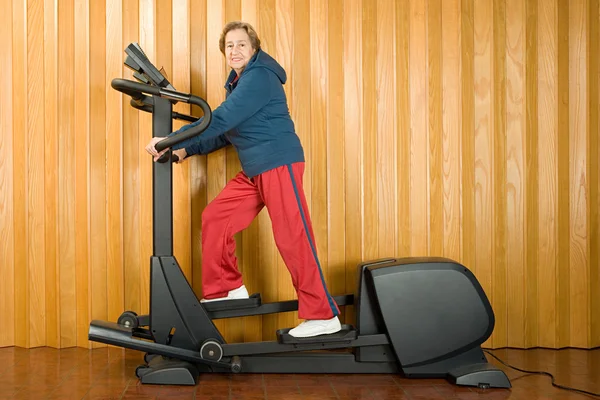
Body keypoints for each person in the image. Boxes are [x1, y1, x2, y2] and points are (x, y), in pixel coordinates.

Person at [145, 21, 341, 338]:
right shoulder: (237, 83)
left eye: (241, 45)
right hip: (254, 169)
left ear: (254, 49)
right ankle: (226, 288)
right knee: (215, 218)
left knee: (293, 237)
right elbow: (224, 132)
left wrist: (171, 139)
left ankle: (323, 314)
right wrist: (183, 150)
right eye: (230, 46)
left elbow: (220, 119)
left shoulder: (260, 77)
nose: (235, 51)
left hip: (278, 162)